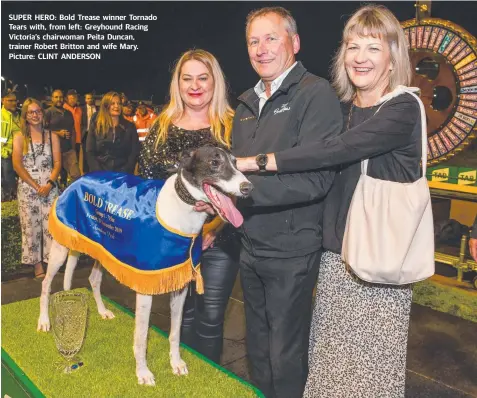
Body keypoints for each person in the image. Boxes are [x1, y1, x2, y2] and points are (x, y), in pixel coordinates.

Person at [237, 5, 423, 397]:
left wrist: (256, 162)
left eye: (373, 48)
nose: (360, 57)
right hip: (336, 262)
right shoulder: (343, 109)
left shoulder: (403, 108)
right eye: (352, 47)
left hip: (377, 263)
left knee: (368, 377)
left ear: (393, 57)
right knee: (328, 374)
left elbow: (332, 151)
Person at [231, 7, 342, 398]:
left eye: (271, 38)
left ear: (294, 43)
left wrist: (240, 192)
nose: (261, 49)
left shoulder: (316, 94)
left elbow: (315, 179)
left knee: (285, 354)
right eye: (253, 41)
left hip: (292, 251)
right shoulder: (245, 104)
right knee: (257, 350)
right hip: (250, 246)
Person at [138, 49, 239, 364]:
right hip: (176, 242)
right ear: (177, 84)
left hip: (217, 242)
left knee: (210, 318)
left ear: (215, 82)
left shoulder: (233, 125)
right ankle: (184, 376)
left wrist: (212, 227)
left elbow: (242, 183)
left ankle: (208, 381)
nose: (195, 86)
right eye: (187, 78)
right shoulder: (162, 126)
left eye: (203, 78)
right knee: (181, 315)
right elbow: (148, 183)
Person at [12, 98, 61, 279]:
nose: (35, 115)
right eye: (31, 112)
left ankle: (51, 262)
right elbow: (17, 165)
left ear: (43, 113)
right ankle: (37, 265)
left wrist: (49, 184)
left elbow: (57, 163)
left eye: (38, 111)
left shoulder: (52, 136)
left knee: (51, 227)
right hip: (28, 188)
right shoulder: (19, 138)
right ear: (25, 115)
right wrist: (35, 186)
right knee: (31, 227)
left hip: (49, 186)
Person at [86, 91, 139, 173]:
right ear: (106, 106)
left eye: (119, 103)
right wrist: (99, 173)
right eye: (113, 103)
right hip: (100, 175)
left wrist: (125, 172)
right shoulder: (95, 126)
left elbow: (134, 152)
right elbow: (90, 152)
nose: (116, 106)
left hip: (123, 175)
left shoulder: (130, 127)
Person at [44, 89, 81, 186]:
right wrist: (57, 133)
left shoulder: (68, 113)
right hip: (53, 151)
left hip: (68, 150)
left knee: (76, 175)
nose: (59, 99)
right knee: (55, 177)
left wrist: (74, 148)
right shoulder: (48, 113)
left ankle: (71, 194)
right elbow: (42, 131)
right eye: (56, 97)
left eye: (60, 97)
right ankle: (59, 192)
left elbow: (73, 131)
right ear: (52, 99)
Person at [1, 91, 21, 201]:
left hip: (18, 153)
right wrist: (4, 151)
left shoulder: (17, 115)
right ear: (2, 100)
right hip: (6, 153)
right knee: (7, 178)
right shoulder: (2, 116)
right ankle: (8, 198)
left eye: (15, 100)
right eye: (10, 100)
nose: (13, 103)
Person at [63, 89, 83, 161]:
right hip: (66, 139)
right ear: (67, 99)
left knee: (76, 160)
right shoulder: (63, 108)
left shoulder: (79, 109)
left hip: (77, 139)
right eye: (70, 98)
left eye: (74, 98)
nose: (72, 100)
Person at [80, 92, 97, 173]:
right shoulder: (82, 109)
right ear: (85, 99)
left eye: (91, 98)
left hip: (96, 134)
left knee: (95, 152)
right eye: (88, 98)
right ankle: (85, 171)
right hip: (86, 133)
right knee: (86, 153)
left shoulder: (98, 108)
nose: (90, 100)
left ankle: (94, 170)